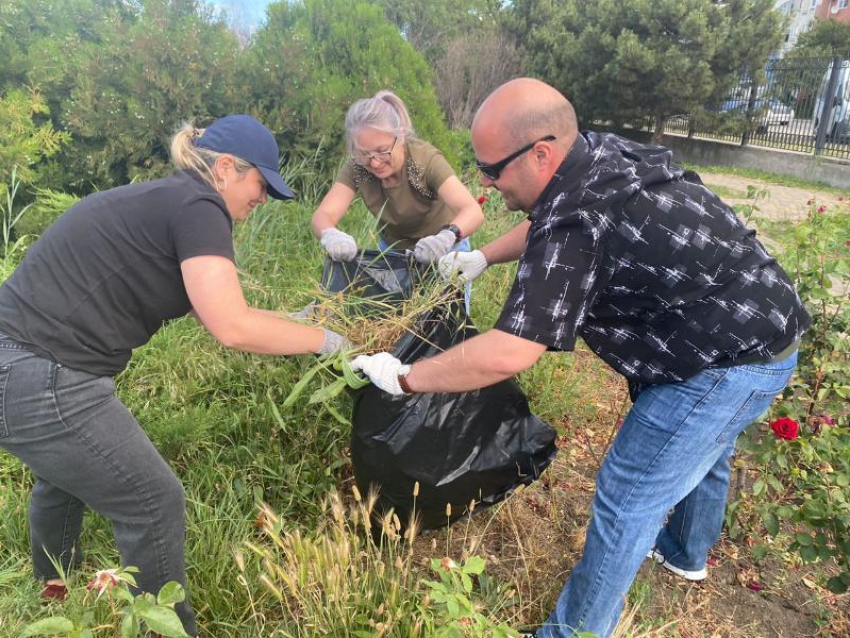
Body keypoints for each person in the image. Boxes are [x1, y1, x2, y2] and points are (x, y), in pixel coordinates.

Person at [350, 79, 810, 637]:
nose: (485, 184)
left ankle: (573, 632)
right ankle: (686, 553)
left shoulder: (576, 220)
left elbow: (510, 350)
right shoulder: (595, 153)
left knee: (628, 490)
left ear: (541, 152)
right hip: (756, 317)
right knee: (706, 443)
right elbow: (548, 217)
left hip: (726, 360)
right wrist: (484, 258)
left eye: (492, 169)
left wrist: (405, 377)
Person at [0, 115, 349, 637]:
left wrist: (299, 323)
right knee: (153, 500)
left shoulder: (173, 201)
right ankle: (165, 631)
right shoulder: (200, 205)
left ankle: (56, 592)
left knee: (63, 474)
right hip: (42, 373)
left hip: (20, 367)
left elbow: (229, 307)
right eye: (261, 185)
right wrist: (327, 342)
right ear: (227, 168)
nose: (263, 200)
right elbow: (231, 327)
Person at [311, 90, 484, 266]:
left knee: (446, 294)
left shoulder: (424, 161)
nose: (375, 163)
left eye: (382, 151)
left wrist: (446, 237)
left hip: (445, 247)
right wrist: (331, 235)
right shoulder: (357, 168)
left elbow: (472, 211)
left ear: (400, 137)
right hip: (393, 249)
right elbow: (323, 215)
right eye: (364, 154)